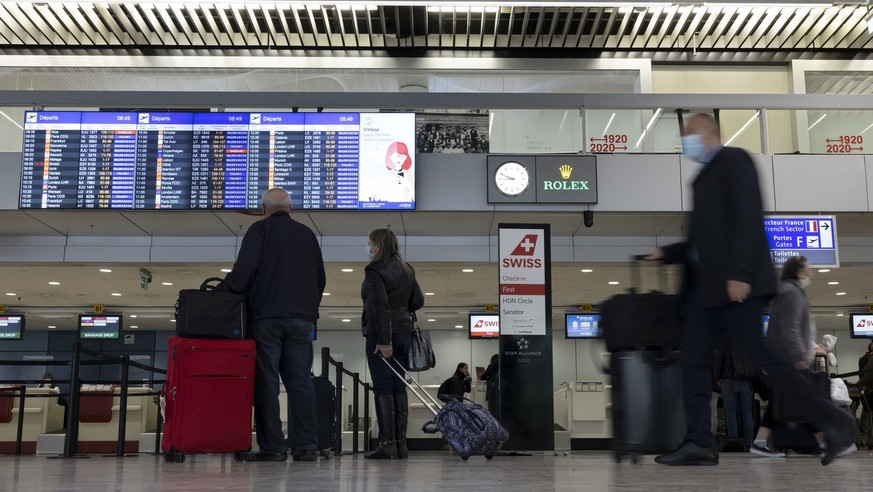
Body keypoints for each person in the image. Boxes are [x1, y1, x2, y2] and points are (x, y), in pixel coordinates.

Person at [647, 113, 856, 466]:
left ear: (710, 132)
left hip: (734, 286)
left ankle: (835, 424)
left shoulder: (734, 160)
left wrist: (741, 271)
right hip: (703, 293)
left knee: (764, 358)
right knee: (693, 364)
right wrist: (665, 253)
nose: (686, 143)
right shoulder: (701, 178)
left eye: (690, 135)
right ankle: (698, 441)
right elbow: (701, 242)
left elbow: (748, 214)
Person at [221, 187, 326, 463]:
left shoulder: (259, 230)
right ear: (290, 209)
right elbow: (320, 280)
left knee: (267, 383)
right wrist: (309, 311)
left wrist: (223, 291)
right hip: (302, 321)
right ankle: (306, 447)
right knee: (301, 382)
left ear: (264, 209)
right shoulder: (307, 235)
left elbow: (244, 271)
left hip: (267, 318)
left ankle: (274, 448)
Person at [750, 256, 826, 457]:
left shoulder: (791, 291)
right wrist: (799, 357)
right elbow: (790, 329)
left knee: (781, 401)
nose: (811, 273)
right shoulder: (791, 292)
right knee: (807, 399)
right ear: (798, 271)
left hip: (784, 358)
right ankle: (827, 444)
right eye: (808, 269)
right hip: (788, 359)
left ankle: (759, 442)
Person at [362, 228, 425, 460]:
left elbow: (380, 306)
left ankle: (387, 443)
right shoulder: (408, 268)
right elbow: (418, 300)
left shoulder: (374, 269)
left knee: (383, 387)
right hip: (404, 334)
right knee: (399, 386)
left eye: (370, 244)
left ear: (378, 245)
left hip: (382, 336)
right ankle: (401, 443)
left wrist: (383, 340)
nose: (369, 248)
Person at [713, 339, 757, 448]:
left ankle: (733, 443)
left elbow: (719, 360)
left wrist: (716, 378)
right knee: (747, 413)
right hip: (745, 381)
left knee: (731, 413)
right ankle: (749, 443)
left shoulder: (725, 339)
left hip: (728, 381)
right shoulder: (748, 338)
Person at [481, 354, 500, 418]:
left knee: (492, 409)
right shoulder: (503, 367)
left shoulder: (491, 366)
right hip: (499, 391)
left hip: (492, 390)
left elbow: (482, 377)